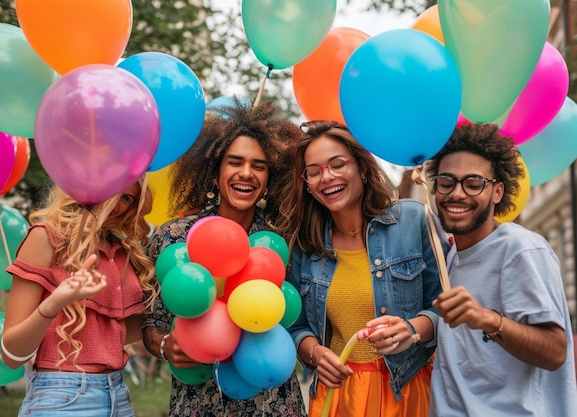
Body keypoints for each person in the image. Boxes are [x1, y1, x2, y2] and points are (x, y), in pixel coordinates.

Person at [142, 101, 307, 416]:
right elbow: (152, 324)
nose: (246, 173)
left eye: (259, 165)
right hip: (199, 401)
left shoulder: (283, 240)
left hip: (271, 403)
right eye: (235, 162)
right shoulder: (173, 238)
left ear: (268, 181)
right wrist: (165, 346)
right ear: (214, 174)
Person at [275, 120, 445, 417]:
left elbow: (448, 309)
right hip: (339, 397)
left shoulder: (414, 221)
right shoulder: (305, 244)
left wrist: (411, 330)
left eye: (337, 164)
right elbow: (295, 325)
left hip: (407, 389)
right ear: (307, 184)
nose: (326, 177)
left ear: (362, 169)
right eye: (313, 172)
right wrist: (314, 353)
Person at [424, 123, 577, 416]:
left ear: (497, 192)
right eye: (447, 182)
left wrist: (487, 319)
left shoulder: (520, 248)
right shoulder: (454, 256)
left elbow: (556, 351)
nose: (457, 193)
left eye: (473, 183)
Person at [1, 176, 156, 416]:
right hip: (63, 398)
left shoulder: (121, 251)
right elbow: (11, 355)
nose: (117, 204)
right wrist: (55, 303)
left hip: (119, 395)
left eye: (127, 198)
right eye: (113, 188)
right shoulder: (46, 237)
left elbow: (112, 335)